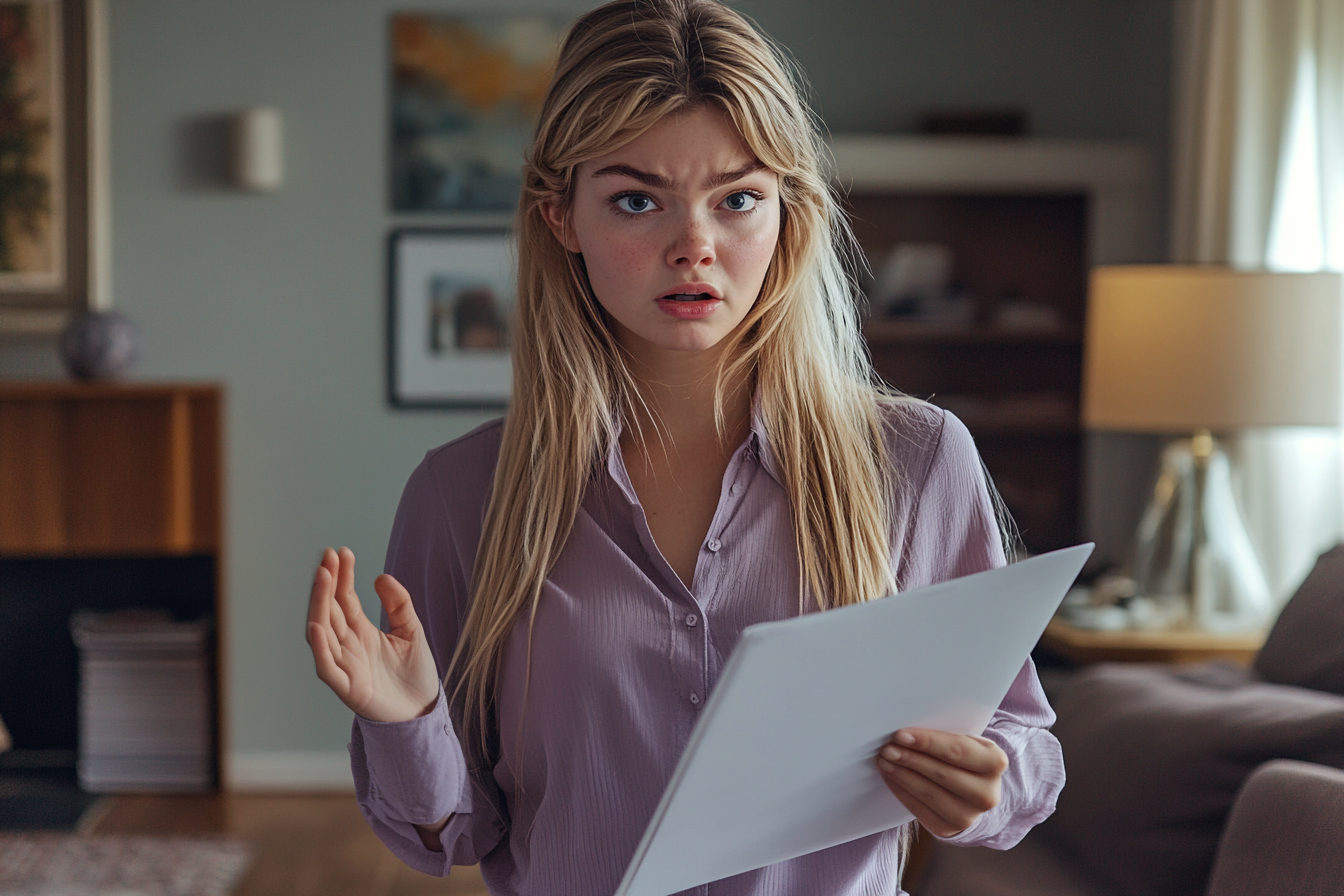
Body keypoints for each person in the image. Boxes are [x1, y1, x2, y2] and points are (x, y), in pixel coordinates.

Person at [305, 1, 1065, 893]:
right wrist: (408, 721)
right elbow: (451, 834)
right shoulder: (460, 494)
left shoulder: (918, 460)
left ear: (788, 214)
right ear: (562, 218)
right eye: (637, 201)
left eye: (737, 199)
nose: (694, 246)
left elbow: (1023, 744)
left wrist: (985, 782)